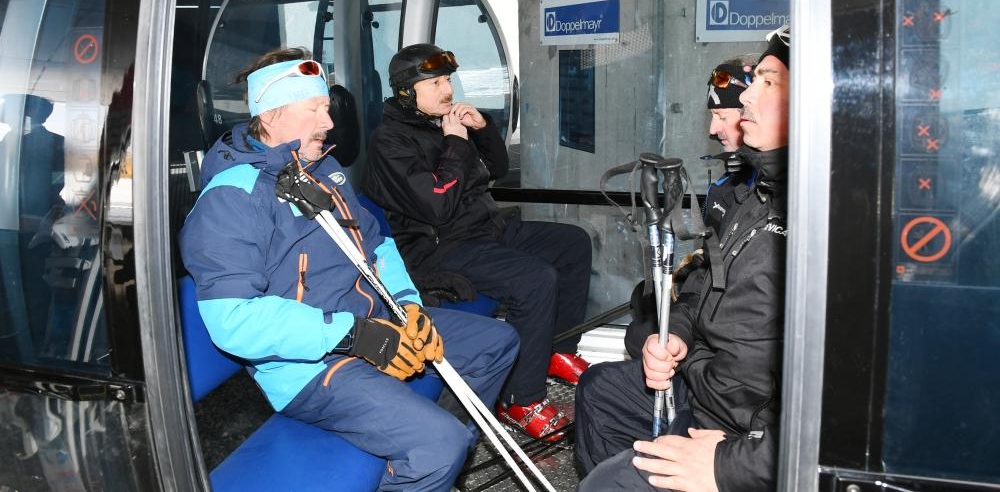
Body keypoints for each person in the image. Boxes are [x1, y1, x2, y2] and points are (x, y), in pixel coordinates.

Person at [180, 47, 519, 492]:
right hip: (311, 364)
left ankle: (435, 474)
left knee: (495, 343)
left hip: (375, 322)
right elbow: (234, 321)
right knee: (436, 445)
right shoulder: (232, 199)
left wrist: (407, 306)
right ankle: (431, 462)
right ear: (273, 115)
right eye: (315, 109)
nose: (329, 122)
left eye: (327, 107)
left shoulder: (323, 169)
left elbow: (377, 245)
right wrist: (357, 335)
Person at [575, 26, 790, 491]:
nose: (748, 100)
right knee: (602, 390)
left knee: (605, 485)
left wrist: (726, 466)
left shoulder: (823, 221)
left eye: (767, 84)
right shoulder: (747, 197)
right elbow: (706, 289)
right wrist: (676, 338)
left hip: (746, 418)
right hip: (710, 378)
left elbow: (835, 413)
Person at [365, 43, 593, 440]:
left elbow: (497, 170)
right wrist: (455, 142)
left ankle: (556, 348)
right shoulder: (390, 142)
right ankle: (522, 399)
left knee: (573, 243)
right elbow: (437, 206)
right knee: (535, 279)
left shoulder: (440, 122)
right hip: (439, 247)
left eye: (447, 80)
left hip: (484, 229)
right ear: (407, 92)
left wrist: (481, 129)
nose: (447, 90)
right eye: (434, 83)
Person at [621, 54, 758, 360]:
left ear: (753, 113)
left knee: (641, 334)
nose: (712, 128)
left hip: (731, 323)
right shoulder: (726, 186)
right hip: (707, 299)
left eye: (722, 116)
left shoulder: (775, 194)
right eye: (712, 115)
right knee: (644, 300)